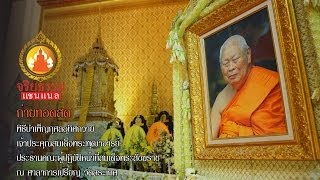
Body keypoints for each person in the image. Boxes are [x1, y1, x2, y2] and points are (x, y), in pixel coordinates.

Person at [210, 35, 287, 139]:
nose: (231, 68)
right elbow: (209, 139)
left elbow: (273, 139)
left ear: (248, 54)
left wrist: (232, 130)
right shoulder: (221, 97)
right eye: (225, 63)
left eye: (235, 59)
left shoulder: (270, 84)